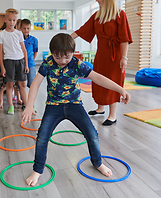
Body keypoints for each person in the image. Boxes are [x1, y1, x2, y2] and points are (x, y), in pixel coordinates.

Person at [22, 33, 130, 187]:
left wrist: (120, 89)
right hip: (53, 107)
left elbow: (98, 78)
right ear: (52, 53)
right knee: (42, 137)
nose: (63, 61)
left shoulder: (77, 64)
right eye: (58, 57)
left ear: (72, 52)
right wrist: (29, 105)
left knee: (92, 134)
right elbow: (35, 83)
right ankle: (38, 170)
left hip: (75, 105)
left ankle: (97, 163)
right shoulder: (47, 63)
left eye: (67, 57)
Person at [71, 0, 133, 126]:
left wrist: (124, 57)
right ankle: (100, 108)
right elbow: (82, 30)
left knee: (113, 82)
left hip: (115, 56)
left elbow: (124, 38)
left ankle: (112, 115)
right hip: (101, 55)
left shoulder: (120, 14)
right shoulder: (97, 16)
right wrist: (66, 39)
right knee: (98, 81)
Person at [0, 8, 29, 115]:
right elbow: (0, 51)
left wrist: (26, 65)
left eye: (14, 20)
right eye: (10, 20)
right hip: (9, 61)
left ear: (16, 21)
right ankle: (11, 106)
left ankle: (26, 105)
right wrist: (2, 67)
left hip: (20, 60)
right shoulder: (1, 34)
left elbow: (24, 49)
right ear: (5, 20)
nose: (12, 22)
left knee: (23, 84)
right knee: (9, 85)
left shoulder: (19, 33)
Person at [21, 19, 38, 88]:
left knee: (32, 83)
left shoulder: (34, 40)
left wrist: (32, 59)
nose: (26, 30)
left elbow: (35, 51)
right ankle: (20, 98)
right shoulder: (18, 39)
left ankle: (31, 98)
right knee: (21, 84)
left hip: (30, 63)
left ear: (30, 28)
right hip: (21, 63)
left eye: (28, 28)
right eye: (24, 28)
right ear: (21, 28)